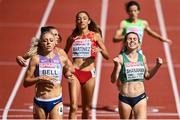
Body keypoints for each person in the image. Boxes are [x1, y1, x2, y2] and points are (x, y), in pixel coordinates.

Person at [64, 10, 109, 119]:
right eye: (79, 18)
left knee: (86, 108)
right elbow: (63, 54)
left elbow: (107, 56)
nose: (81, 20)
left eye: (84, 18)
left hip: (89, 74)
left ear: (88, 21)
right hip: (75, 72)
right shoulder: (72, 37)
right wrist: (67, 68)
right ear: (76, 22)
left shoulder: (95, 36)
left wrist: (100, 50)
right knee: (73, 107)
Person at [111, 32, 163, 119]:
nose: (132, 41)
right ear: (125, 42)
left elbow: (147, 75)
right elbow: (113, 79)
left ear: (138, 43)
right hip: (125, 98)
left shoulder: (142, 57)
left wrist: (157, 66)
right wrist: (116, 66)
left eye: (134, 39)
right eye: (129, 39)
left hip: (140, 97)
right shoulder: (121, 58)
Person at [23, 30, 74, 119]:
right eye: (45, 40)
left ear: (55, 42)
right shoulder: (36, 59)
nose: (48, 43)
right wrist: (39, 79)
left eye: (51, 40)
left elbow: (68, 71)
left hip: (56, 100)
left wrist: (68, 75)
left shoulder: (62, 59)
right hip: (40, 101)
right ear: (41, 43)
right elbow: (26, 82)